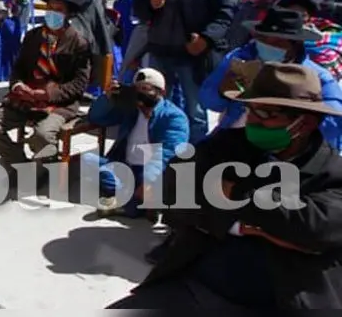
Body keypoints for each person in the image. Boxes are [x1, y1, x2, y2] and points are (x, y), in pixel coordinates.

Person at [109, 63, 342, 309]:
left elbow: (314, 229)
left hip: (283, 302)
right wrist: (244, 226)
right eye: (250, 110)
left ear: (305, 123)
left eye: (265, 114)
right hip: (200, 286)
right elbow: (174, 188)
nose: (252, 121)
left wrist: (235, 194)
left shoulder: (332, 172)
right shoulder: (229, 145)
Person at [134, 0, 237, 143]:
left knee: (196, 111)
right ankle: (159, 153)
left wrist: (207, 38)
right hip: (160, 49)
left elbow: (226, 11)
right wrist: (151, 4)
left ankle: (195, 157)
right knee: (157, 107)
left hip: (192, 54)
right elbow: (139, 7)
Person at [199, 7, 342, 145]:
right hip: (234, 136)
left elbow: (332, 125)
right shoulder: (239, 59)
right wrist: (221, 92)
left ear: (296, 45)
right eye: (263, 39)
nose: (268, 45)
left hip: (283, 143)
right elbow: (207, 101)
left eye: (278, 41)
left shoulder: (318, 78)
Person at [0, 0, 92, 163]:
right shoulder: (33, 36)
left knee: (42, 135)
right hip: (26, 97)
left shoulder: (78, 43)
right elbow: (19, 67)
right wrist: (18, 85)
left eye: (58, 10)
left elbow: (79, 84)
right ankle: (20, 164)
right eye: (50, 8)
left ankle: (45, 169)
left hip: (59, 103)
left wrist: (48, 94)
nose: (52, 14)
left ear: (68, 15)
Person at [85, 68, 190, 217]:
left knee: (154, 187)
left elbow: (168, 152)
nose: (141, 94)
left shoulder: (174, 117)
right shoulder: (130, 109)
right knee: (88, 161)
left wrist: (148, 181)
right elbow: (97, 118)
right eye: (137, 89)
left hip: (151, 170)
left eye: (146, 89)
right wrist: (106, 99)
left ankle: (131, 200)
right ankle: (132, 200)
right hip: (124, 167)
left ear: (161, 92)